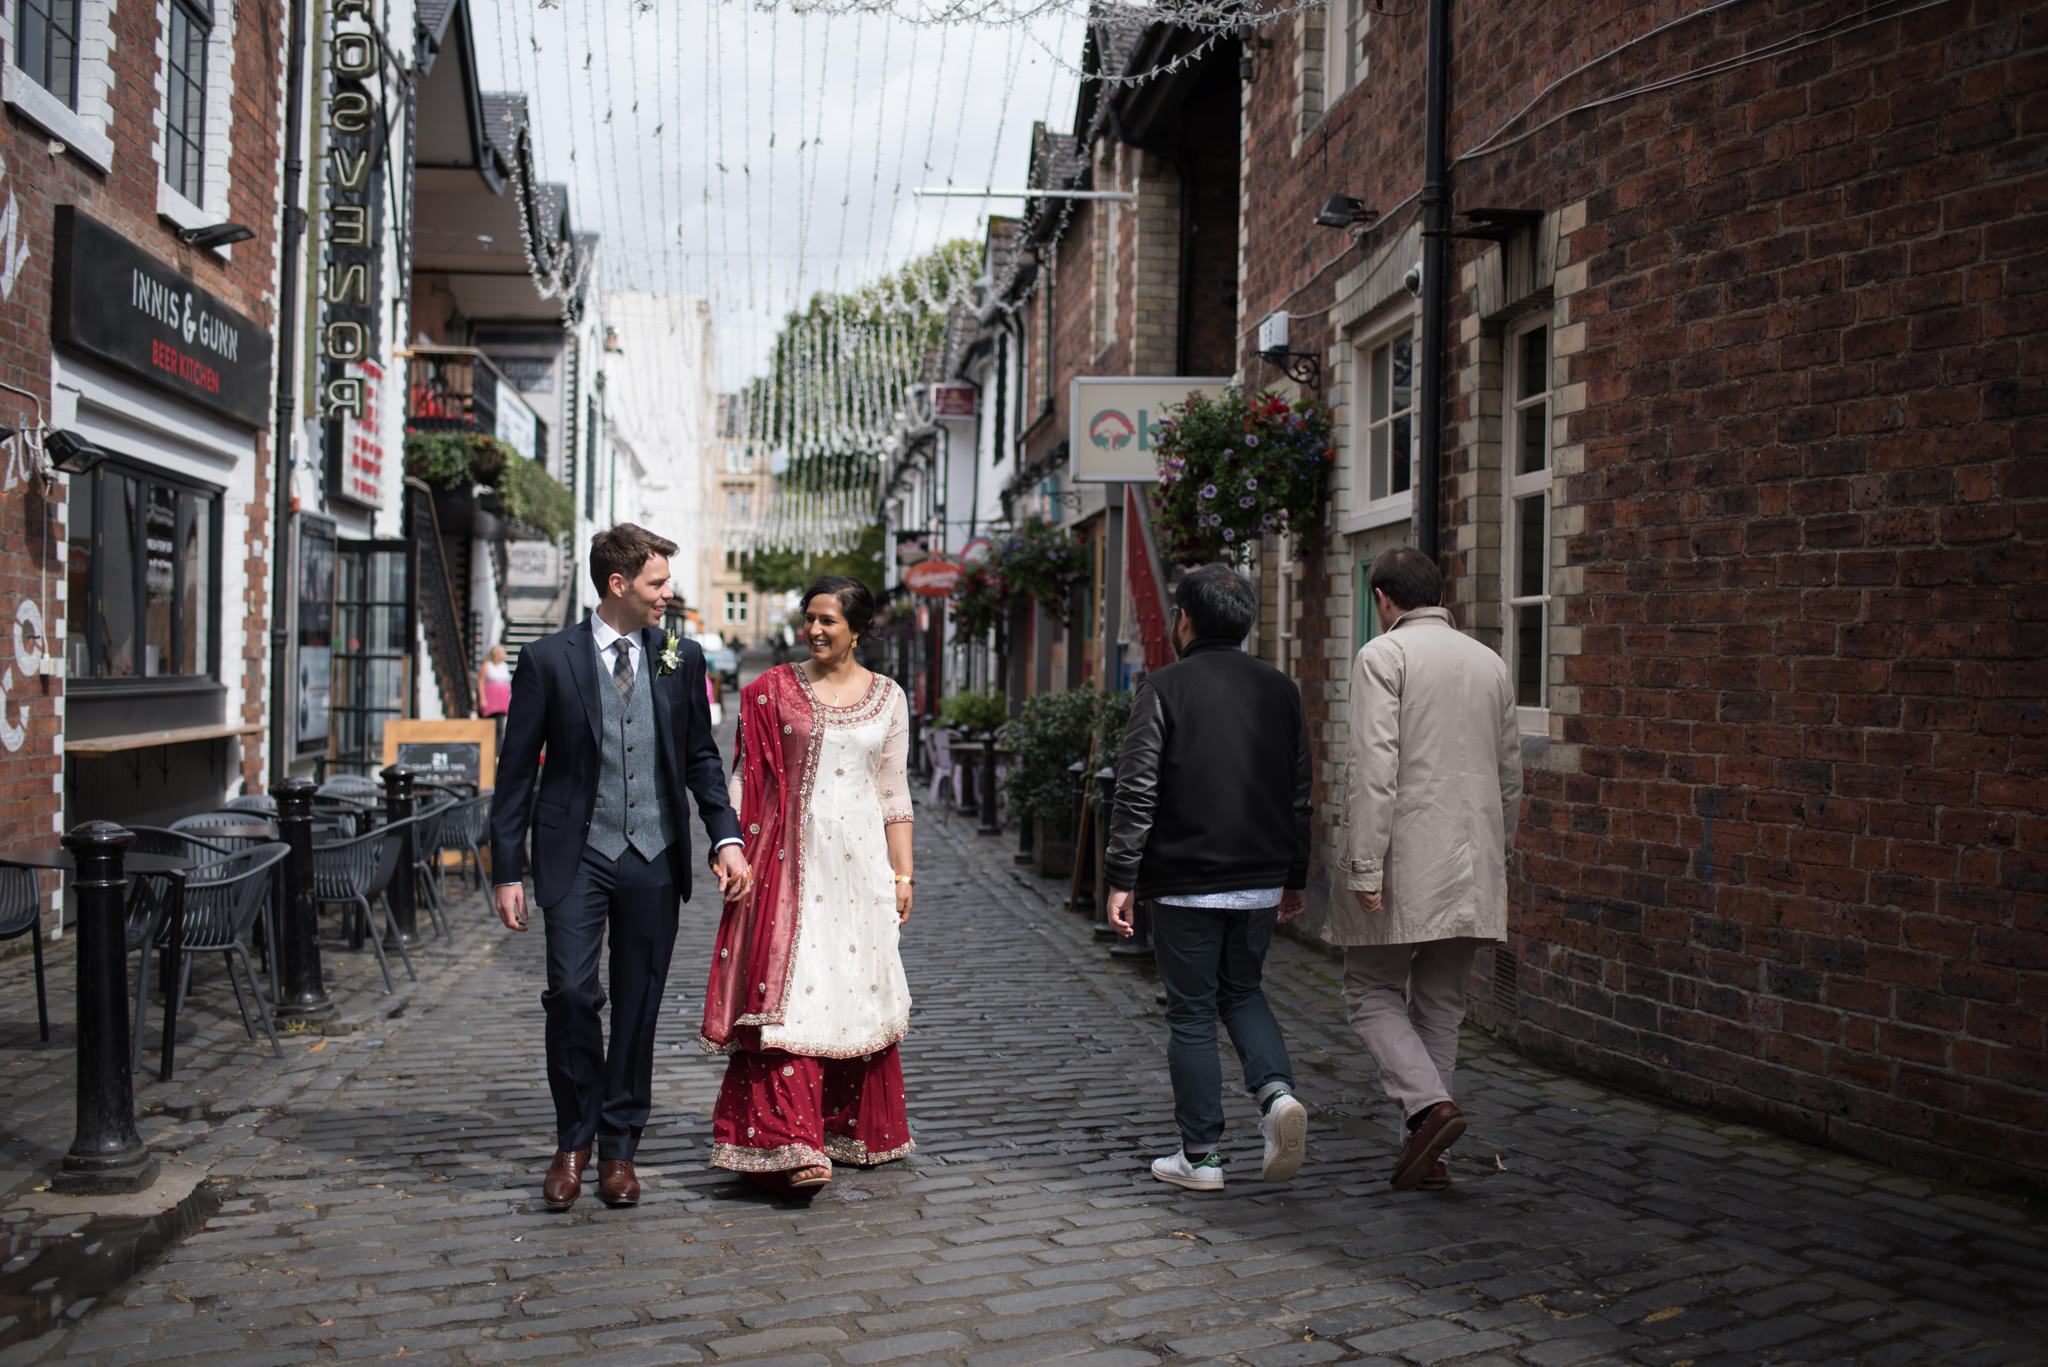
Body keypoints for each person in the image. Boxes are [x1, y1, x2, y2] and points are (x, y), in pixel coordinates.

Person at [490, 524, 749, 1212]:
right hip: (577, 853)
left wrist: (725, 836)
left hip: (655, 855)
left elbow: (699, 755)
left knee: (638, 1006)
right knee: (572, 995)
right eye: (658, 583)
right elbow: (515, 771)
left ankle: (619, 1145)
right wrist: (506, 869)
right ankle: (572, 1138)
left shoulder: (679, 657)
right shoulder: (548, 659)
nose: (669, 593)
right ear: (618, 585)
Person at [701, 575, 916, 1194]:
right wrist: (734, 849)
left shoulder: (889, 698)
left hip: (862, 869)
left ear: (859, 629)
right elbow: (745, 779)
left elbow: (893, 793)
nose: (815, 630)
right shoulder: (772, 691)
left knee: (854, 987)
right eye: (810, 618)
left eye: (829, 620)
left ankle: (845, 1125)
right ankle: (788, 1138)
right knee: (794, 995)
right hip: (787, 869)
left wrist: (903, 873)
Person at [1104, 563, 1313, 1193]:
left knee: (1192, 1013)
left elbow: (1137, 789)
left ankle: (1202, 1156)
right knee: (1243, 992)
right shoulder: (1281, 689)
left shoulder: (1164, 688)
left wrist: (1120, 875)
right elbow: (1299, 793)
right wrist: (1295, 876)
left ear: (1185, 621)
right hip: (1257, 877)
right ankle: (1276, 1096)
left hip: (1184, 879)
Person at [1338, 546, 1521, 1192]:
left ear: (1383, 598)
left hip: (1401, 861)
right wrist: (1500, 856)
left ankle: (1427, 1107)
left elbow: (1372, 769)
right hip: (1474, 865)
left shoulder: (1381, 656)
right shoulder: (1490, 662)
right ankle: (1427, 1154)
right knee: (1441, 1002)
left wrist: (1364, 864)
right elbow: (1510, 779)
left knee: (1369, 990)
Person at [478, 644, 512, 744]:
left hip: (501, 702)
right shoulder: (487, 665)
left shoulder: (504, 666)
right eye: (503, 653)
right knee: (488, 726)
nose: (505, 655)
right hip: (490, 701)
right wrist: (482, 699)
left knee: (499, 727)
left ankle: (497, 752)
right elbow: (481, 681)